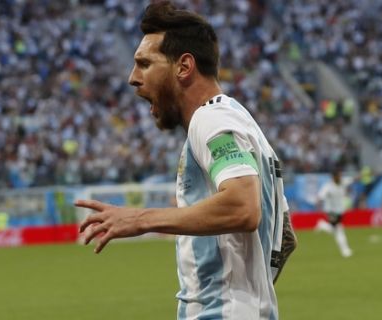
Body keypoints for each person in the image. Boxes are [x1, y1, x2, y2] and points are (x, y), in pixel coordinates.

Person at [76, 2, 297, 319]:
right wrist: (252, 293)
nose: (132, 78)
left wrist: (140, 219)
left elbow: (243, 207)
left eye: (144, 64)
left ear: (184, 66)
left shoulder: (211, 120)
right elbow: (286, 236)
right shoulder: (241, 122)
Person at [315, 168, 353, 257]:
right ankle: (345, 251)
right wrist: (318, 203)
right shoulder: (328, 187)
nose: (340, 177)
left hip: (340, 210)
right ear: (333, 177)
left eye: (340, 175)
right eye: (339, 176)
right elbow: (320, 196)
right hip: (331, 211)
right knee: (339, 229)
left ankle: (322, 225)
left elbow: (353, 179)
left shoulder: (343, 182)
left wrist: (365, 175)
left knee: (334, 229)